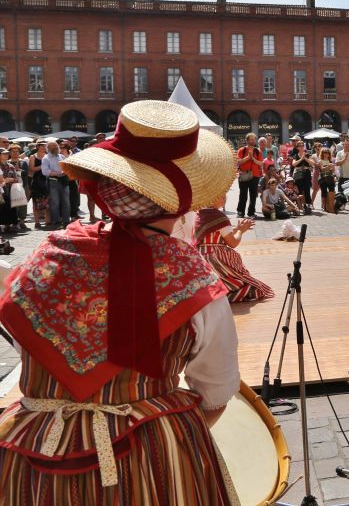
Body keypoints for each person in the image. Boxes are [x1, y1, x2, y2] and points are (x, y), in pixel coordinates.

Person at [0, 100, 240, 504]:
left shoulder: (45, 256)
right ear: (180, 199)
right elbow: (215, 391)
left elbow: (27, 347)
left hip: (33, 452)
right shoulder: (191, 274)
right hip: (152, 457)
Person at [194, 195, 275, 303]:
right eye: (221, 196)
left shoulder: (198, 214)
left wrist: (237, 229)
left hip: (199, 259)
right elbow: (233, 242)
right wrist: (241, 231)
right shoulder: (219, 217)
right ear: (212, 197)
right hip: (215, 259)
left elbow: (216, 233)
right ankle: (226, 290)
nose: (224, 199)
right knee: (248, 284)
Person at [41, 141, 70, 229]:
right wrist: (57, 173)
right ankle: (56, 221)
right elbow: (45, 171)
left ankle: (66, 221)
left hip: (64, 181)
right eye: (53, 146)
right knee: (55, 203)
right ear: (48, 149)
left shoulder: (61, 156)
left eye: (56, 146)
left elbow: (66, 167)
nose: (56, 147)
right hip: (53, 182)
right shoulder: (46, 158)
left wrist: (66, 171)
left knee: (66, 202)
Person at [236, 132, 263, 219]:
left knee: (253, 195)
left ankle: (251, 212)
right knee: (243, 194)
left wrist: (253, 159)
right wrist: (248, 157)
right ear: (247, 140)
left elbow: (261, 163)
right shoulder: (242, 150)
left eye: (254, 139)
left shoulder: (257, 151)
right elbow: (238, 162)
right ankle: (240, 212)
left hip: (255, 175)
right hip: (244, 175)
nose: (253, 141)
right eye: (251, 139)